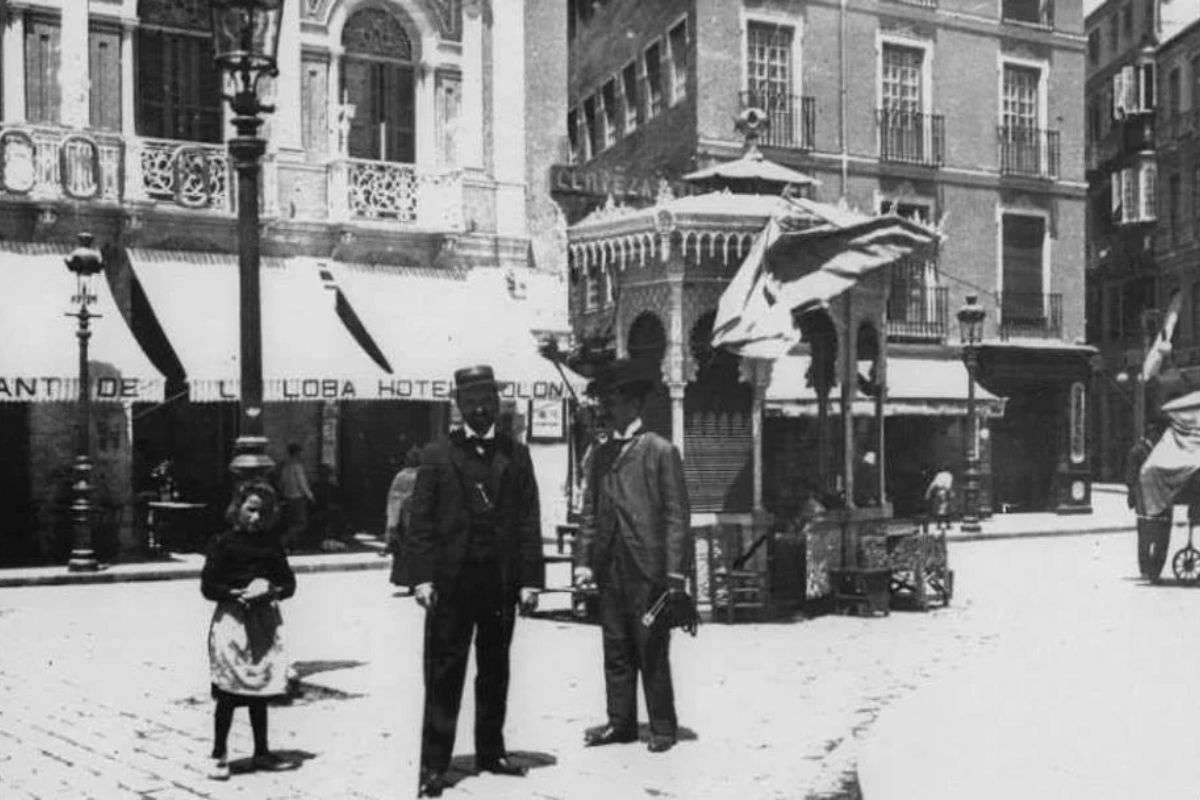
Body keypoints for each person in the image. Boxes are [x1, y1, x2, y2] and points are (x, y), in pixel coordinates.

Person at [408, 365, 543, 798]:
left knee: (495, 668)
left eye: (488, 398)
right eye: (472, 400)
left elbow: (528, 520)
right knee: (444, 672)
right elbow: (421, 523)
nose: (482, 407)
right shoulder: (436, 455)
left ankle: (491, 751)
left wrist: (529, 581)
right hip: (451, 581)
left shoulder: (516, 454)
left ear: (499, 401)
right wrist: (422, 578)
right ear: (458, 403)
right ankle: (434, 765)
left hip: (499, 580)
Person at [574, 358, 692, 754]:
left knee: (652, 646)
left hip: (648, 568)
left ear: (634, 405)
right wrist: (583, 562)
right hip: (610, 566)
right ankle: (620, 723)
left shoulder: (660, 451)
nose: (607, 407)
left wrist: (675, 577)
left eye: (615, 400)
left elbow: (677, 517)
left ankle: (662, 726)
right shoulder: (601, 454)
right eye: (606, 400)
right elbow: (590, 510)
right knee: (616, 645)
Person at [200, 481, 298, 781]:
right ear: (238, 509)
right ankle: (219, 754)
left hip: (263, 620)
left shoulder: (271, 544)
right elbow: (208, 586)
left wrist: (272, 590)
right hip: (232, 621)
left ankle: (262, 751)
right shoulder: (223, 542)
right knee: (229, 689)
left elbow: (289, 584)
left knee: (260, 687)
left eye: (263, 512)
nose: (256, 517)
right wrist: (234, 593)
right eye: (251, 510)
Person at [385, 446, 422, 587]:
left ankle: (408, 581)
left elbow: (393, 500)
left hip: (403, 520)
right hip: (418, 519)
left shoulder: (401, 476)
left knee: (403, 552)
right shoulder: (424, 474)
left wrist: (391, 526)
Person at [277, 443, 314, 551]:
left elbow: (281, 483)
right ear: (297, 453)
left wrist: (283, 493)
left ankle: (293, 547)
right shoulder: (297, 466)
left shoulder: (285, 466)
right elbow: (302, 483)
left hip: (288, 498)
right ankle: (284, 541)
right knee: (300, 524)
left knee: (291, 523)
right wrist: (310, 496)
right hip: (298, 498)